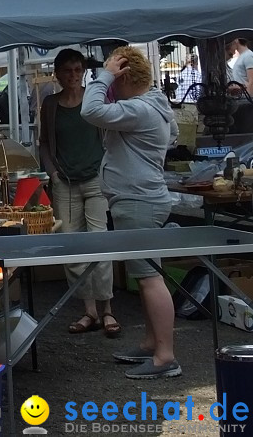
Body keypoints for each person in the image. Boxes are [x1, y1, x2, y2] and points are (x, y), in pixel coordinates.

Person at [81, 46, 180, 380]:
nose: (108, 85)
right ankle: (153, 343)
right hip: (140, 199)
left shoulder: (139, 109)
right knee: (147, 275)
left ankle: (165, 357)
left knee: (150, 278)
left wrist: (105, 74)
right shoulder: (153, 106)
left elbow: (90, 109)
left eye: (112, 79)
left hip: (138, 201)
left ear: (123, 77)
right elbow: (173, 136)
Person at [38, 49, 116, 337]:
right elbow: (44, 142)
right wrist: (53, 173)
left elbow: (110, 133)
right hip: (65, 182)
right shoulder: (50, 105)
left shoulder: (95, 100)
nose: (73, 75)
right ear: (57, 74)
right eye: (67, 70)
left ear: (84, 71)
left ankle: (107, 309)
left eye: (77, 69)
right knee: (72, 249)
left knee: (100, 245)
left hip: (95, 180)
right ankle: (89, 311)